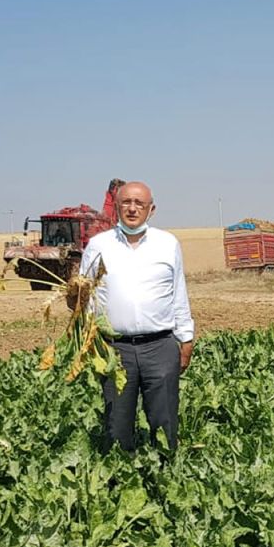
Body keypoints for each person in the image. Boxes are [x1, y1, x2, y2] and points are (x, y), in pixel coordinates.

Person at [79, 181, 195, 452]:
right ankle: (120, 482)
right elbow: (85, 300)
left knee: (164, 421)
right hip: (114, 349)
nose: (132, 209)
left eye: (139, 204)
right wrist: (87, 342)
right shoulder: (98, 246)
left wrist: (186, 338)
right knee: (117, 424)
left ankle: (166, 480)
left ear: (151, 210)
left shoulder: (167, 244)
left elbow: (178, 293)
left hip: (160, 345)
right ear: (116, 207)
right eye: (126, 203)